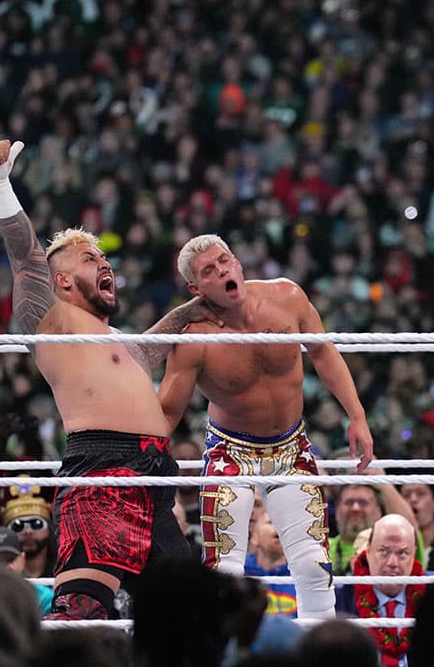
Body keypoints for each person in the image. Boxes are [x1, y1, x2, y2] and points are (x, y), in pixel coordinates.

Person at [0, 139, 212, 620]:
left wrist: (191, 311)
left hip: (156, 479)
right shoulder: (55, 324)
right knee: (81, 611)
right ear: (61, 281)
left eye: (104, 258)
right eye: (89, 259)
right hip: (103, 471)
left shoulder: (109, 339)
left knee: (187, 616)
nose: (104, 263)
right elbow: (25, 256)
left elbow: (143, 353)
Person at [158, 233, 374, 620]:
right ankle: (220, 664)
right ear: (196, 288)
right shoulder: (194, 339)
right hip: (230, 451)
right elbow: (168, 410)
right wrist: (146, 462)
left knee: (313, 566)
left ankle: (316, 658)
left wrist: (356, 415)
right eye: (209, 270)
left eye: (225, 260)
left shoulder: (287, 297)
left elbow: (324, 352)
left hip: (292, 445)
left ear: (238, 262)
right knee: (223, 571)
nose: (222, 269)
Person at [336, 514, 426, 667]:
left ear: (414, 554)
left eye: (402, 553)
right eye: (383, 551)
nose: (392, 563)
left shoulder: (433, 599)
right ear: (367, 552)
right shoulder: (339, 598)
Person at [0, 485, 55, 578]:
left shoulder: (65, 568)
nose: (28, 531)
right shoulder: (0, 575)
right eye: (18, 526)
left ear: (49, 529)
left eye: (36, 524)